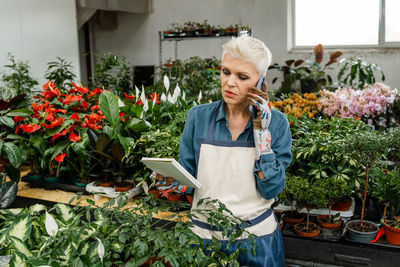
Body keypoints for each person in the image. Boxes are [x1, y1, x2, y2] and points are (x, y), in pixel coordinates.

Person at [154, 35, 292, 266]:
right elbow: (188, 177)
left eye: (242, 76)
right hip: (203, 239)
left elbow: (271, 189)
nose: (229, 82)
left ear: (260, 83)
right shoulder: (198, 117)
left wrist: (262, 135)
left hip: (256, 241)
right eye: (226, 72)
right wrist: (169, 180)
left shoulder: (276, 123)